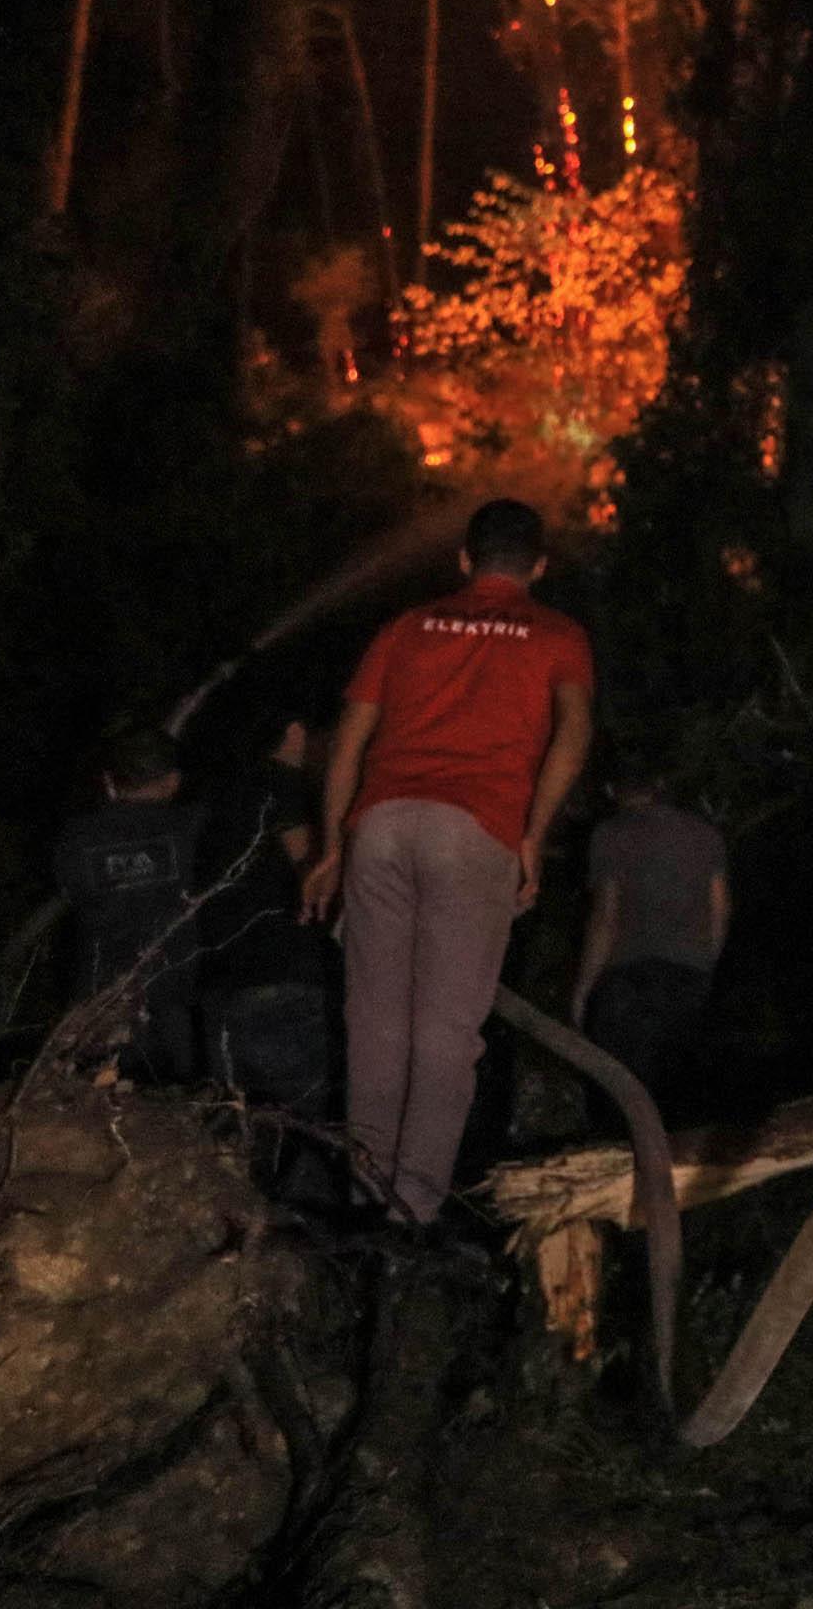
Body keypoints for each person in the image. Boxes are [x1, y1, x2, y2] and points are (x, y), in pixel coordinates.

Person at [301, 498, 595, 1225]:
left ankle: (362, 1201)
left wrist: (336, 842)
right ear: (539, 566)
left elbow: (349, 739)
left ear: (464, 561)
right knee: (445, 1032)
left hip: (384, 822)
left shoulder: (406, 626)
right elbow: (574, 732)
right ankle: (410, 1215)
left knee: (373, 1021)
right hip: (475, 829)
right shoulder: (558, 634)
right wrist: (532, 832)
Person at [194, 708, 345, 1198]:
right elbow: (313, 869)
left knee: (236, 1130)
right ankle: (303, 1250)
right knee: (306, 1126)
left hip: (222, 978)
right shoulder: (284, 789)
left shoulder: (219, 791)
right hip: (283, 974)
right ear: (297, 730)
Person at [569, 771, 729, 1121]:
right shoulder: (704, 835)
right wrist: (704, 967)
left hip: (628, 985)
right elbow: (719, 911)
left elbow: (605, 917)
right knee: (680, 1102)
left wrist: (583, 988)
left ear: (613, 789)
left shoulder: (611, 835)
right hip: (689, 981)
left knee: (623, 1105)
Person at [52, 725, 207, 1082]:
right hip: (173, 997)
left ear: (109, 781)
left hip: (98, 998)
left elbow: (72, 893)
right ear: (173, 781)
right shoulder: (191, 828)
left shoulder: (75, 837)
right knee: (169, 1111)